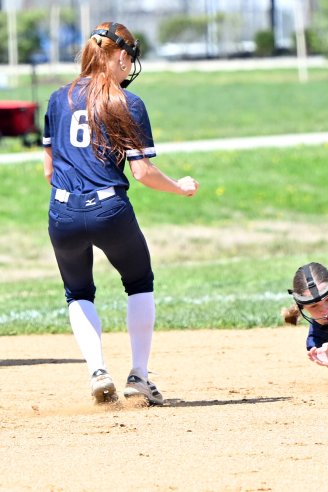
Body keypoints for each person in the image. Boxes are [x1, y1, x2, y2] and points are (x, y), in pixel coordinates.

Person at [42, 22, 199, 405]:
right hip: (109, 207)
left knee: (78, 291)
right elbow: (142, 172)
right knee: (138, 281)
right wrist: (179, 186)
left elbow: (49, 170)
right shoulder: (127, 103)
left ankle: (97, 371)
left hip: (61, 210)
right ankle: (139, 376)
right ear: (121, 57)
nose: (129, 67)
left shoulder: (57, 98)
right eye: (128, 59)